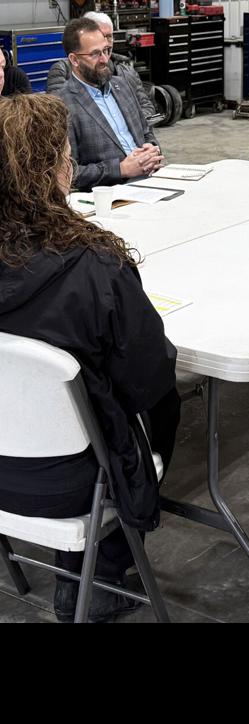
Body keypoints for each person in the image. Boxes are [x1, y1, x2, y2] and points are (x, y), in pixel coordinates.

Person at [0, 93, 180, 623]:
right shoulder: (94, 266)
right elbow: (149, 378)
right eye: (65, 154)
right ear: (52, 170)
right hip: (74, 481)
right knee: (163, 404)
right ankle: (98, 574)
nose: (71, 163)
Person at [54, 17, 164, 191]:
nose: (105, 59)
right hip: (111, 194)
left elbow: (146, 131)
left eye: (106, 50)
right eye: (95, 54)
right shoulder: (62, 105)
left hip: (151, 180)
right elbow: (68, 173)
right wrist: (121, 169)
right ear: (74, 60)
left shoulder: (122, 85)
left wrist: (152, 150)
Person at [46, 12, 159, 124]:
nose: (106, 42)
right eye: (100, 36)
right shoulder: (62, 70)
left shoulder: (125, 70)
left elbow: (147, 107)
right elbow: (59, 116)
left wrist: (131, 125)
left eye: (109, 37)